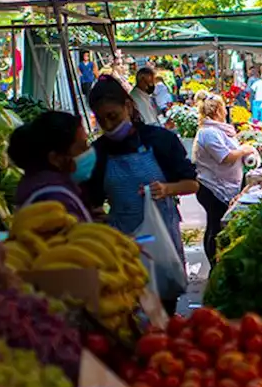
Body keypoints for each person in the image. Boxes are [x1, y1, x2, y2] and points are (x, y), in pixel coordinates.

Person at [82, 76, 199, 316]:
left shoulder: (161, 140)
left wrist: (167, 189)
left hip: (162, 242)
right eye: (102, 121)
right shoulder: (98, 152)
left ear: (128, 106)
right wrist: (97, 220)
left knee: (164, 311)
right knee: (129, 313)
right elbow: (91, 203)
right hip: (124, 248)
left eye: (113, 116)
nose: (109, 125)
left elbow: (192, 184)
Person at [193, 95, 254, 268]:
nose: (226, 112)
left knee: (216, 224)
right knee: (215, 226)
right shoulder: (209, 132)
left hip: (222, 185)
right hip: (212, 187)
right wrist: (244, 150)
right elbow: (225, 157)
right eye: (223, 108)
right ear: (217, 110)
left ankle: (218, 262)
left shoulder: (217, 130)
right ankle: (214, 266)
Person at [8, 111, 93, 221]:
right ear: (55, 158)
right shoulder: (56, 202)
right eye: (82, 148)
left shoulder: (39, 185)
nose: (88, 152)